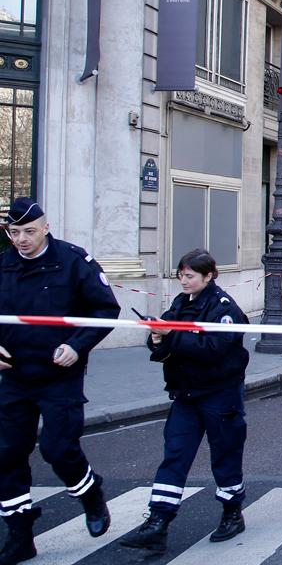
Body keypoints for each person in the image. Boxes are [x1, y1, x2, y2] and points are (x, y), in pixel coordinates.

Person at [0, 197, 118, 564]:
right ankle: (20, 533)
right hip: (14, 374)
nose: (21, 239)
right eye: (14, 232)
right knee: (5, 455)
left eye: (29, 231)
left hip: (59, 375)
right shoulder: (3, 264)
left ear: (46, 227)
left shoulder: (72, 261)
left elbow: (105, 310)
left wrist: (77, 346)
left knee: (56, 448)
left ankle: (90, 494)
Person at [119, 249, 250, 552]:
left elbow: (214, 348)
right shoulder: (180, 303)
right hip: (185, 395)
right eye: (180, 274)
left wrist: (170, 337)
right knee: (175, 455)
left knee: (225, 454)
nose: (183, 280)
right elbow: (166, 341)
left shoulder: (224, 309)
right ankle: (158, 522)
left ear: (209, 276)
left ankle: (232, 512)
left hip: (220, 395)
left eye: (189, 275)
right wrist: (156, 338)